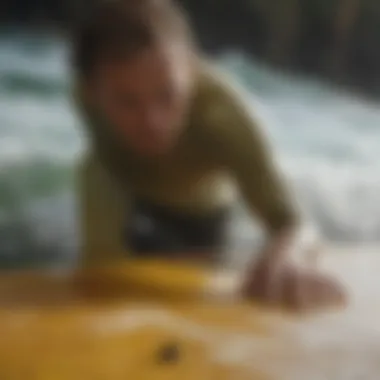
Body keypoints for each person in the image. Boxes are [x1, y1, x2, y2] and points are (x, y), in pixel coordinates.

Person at [73, 0, 346, 309]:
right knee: (95, 182)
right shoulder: (84, 95)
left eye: (167, 95)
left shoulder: (223, 117)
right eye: (126, 101)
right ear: (90, 91)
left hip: (200, 217)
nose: (152, 122)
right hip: (122, 187)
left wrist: (287, 256)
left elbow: (295, 224)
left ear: (192, 70)